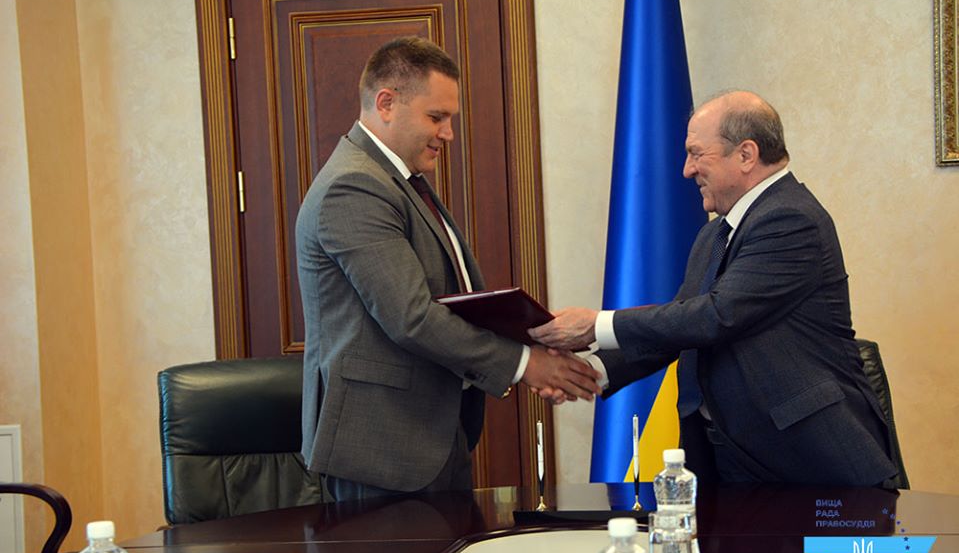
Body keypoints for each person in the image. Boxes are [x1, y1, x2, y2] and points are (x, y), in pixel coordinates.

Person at [530, 91, 898, 486]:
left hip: (805, 460)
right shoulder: (715, 234)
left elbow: (717, 316)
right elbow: (679, 327)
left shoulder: (791, 218)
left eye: (696, 154)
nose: (687, 170)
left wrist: (596, 325)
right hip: (726, 455)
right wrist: (591, 370)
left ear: (746, 154)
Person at [296, 36, 600, 501]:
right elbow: (412, 316)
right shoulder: (354, 186)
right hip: (380, 449)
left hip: (425, 435)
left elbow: (452, 298)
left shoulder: (398, 179)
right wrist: (524, 364)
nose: (448, 133)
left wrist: (533, 339)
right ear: (386, 103)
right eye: (436, 117)